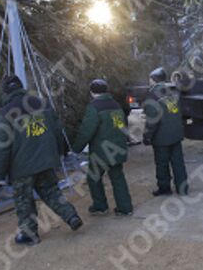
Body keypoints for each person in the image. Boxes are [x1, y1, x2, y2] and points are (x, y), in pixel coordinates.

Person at [0, 75, 83, 245]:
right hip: (46, 160)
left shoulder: (5, 115)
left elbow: (1, 148)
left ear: (4, 92)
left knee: (23, 200)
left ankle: (29, 233)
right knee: (52, 192)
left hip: (21, 168)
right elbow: (57, 130)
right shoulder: (43, 104)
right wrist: (61, 152)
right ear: (21, 87)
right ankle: (71, 216)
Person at [71, 78, 133, 216]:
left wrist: (76, 148)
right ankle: (125, 208)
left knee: (94, 178)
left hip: (101, 152)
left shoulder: (94, 107)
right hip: (118, 148)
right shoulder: (116, 105)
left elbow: (86, 130)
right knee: (118, 177)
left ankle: (100, 206)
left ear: (92, 92)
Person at [143, 67, 188, 195]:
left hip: (161, 137)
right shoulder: (173, 92)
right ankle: (183, 187)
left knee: (162, 163)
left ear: (153, 80)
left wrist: (147, 136)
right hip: (176, 134)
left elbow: (152, 120)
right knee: (178, 162)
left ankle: (164, 188)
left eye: (150, 79)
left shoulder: (152, 96)